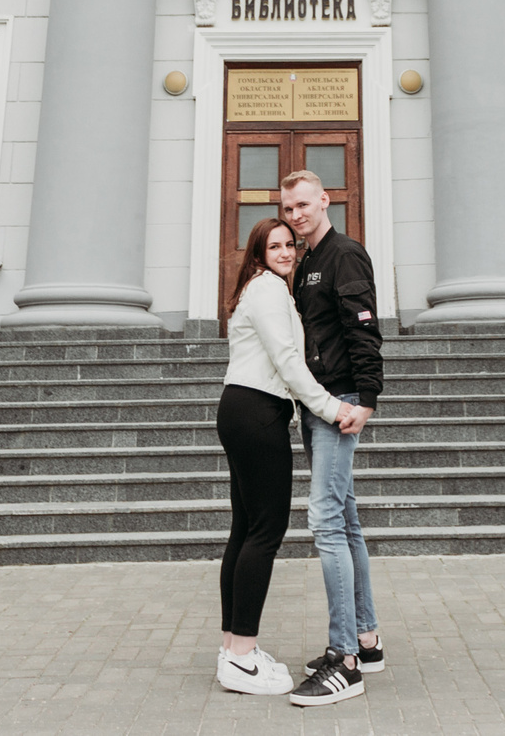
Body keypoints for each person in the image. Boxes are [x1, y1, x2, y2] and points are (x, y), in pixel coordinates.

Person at [214, 216, 370, 697]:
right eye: (273, 246)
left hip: (242, 409)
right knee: (266, 531)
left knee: (245, 529)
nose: (285, 252)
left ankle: (233, 648)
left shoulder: (263, 289)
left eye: (290, 245)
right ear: (258, 254)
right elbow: (289, 362)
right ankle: (241, 656)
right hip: (257, 411)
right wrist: (331, 406)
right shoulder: (267, 291)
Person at [277, 167, 386, 707]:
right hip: (317, 403)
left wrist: (365, 400)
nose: (296, 215)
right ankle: (365, 639)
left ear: (324, 200)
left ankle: (344, 660)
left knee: (324, 519)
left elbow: (362, 325)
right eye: (288, 208)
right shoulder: (307, 263)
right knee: (344, 517)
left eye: (303, 205)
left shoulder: (344, 253)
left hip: (340, 401)